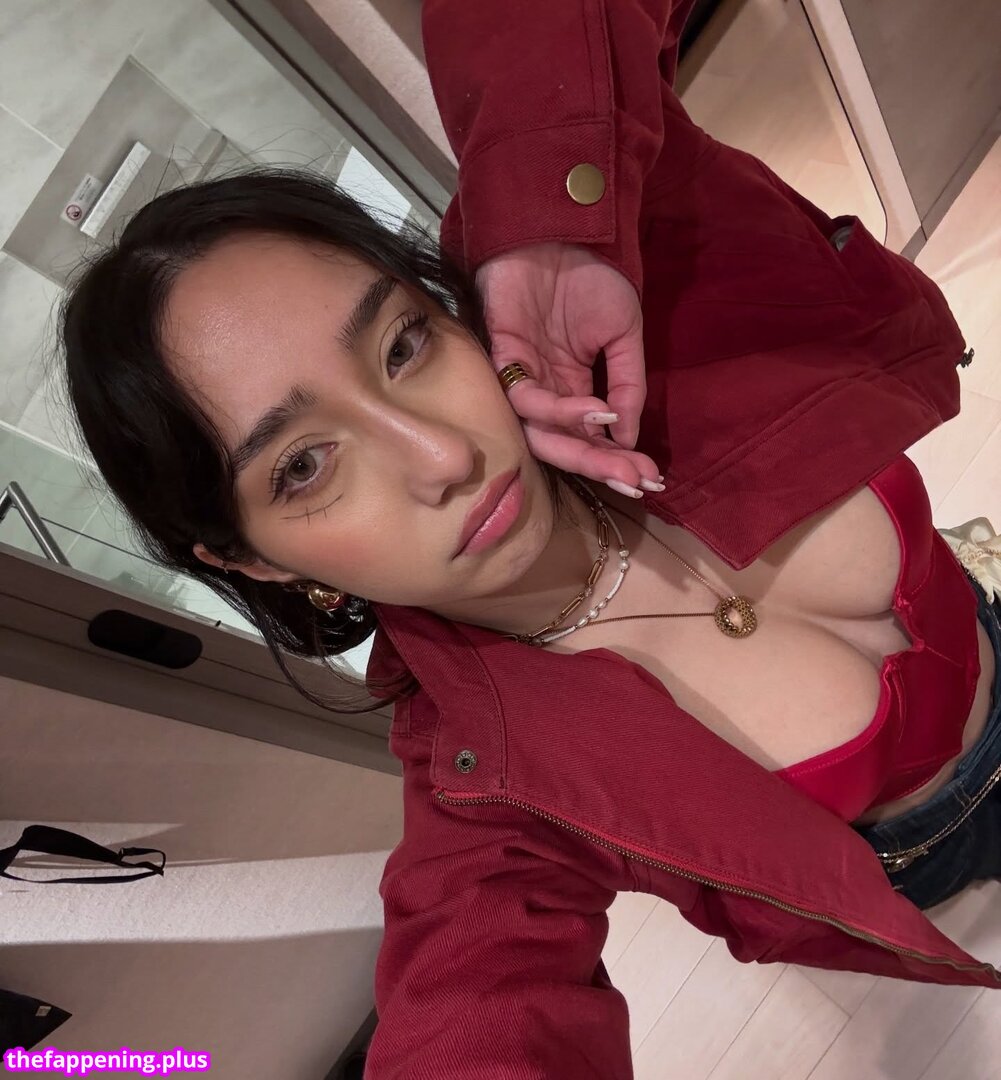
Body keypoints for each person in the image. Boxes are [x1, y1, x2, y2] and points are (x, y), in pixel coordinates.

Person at [59, 1, 1001, 1076]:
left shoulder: (619, 311)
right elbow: (479, 1012)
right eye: (303, 466)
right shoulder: (489, 795)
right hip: (928, 852)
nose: (442, 455)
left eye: (403, 344)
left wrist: (546, 223)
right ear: (252, 557)